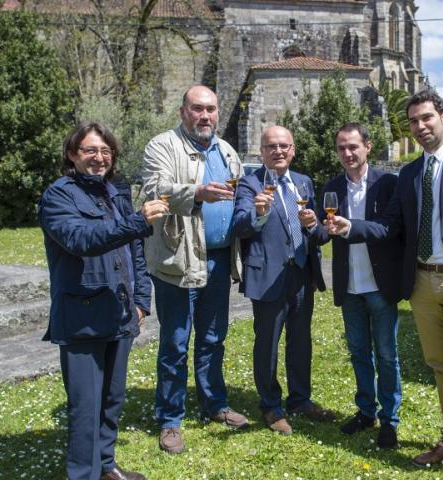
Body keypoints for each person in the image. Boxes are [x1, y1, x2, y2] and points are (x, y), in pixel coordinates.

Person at [327, 90, 443, 480]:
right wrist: (350, 227)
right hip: (422, 282)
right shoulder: (408, 173)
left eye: (426, 118)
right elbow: (391, 226)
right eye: (413, 121)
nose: (420, 126)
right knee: (440, 366)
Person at [38, 122, 168, 480]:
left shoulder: (116, 192)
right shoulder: (59, 196)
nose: (99, 158)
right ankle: (83, 474)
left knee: (112, 399)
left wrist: (141, 301)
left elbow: (135, 253)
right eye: (90, 151)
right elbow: (80, 239)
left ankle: (106, 466)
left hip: (119, 311)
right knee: (85, 406)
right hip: (82, 316)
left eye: (105, 151)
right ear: (72, 155)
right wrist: (137, 221)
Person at [141, 85, 248, 455]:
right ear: (183, 110)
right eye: (197, 109)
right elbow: (155, 190)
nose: (205, 116)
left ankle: (214, 404)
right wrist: (198, 192)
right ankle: (170, 419)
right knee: (174, 342)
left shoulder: (227, 151)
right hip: (178, 260)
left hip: (218, 260)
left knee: (213, 338)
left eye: (211, 109)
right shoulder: (162, 145)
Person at [300, 123, 404, 448]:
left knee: (386, 356)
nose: (347, 153)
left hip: (380, 285)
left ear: (368, 147)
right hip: (350, 286)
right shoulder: (332, 187)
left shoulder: (388, 184)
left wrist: (350, 228)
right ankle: (365, 411)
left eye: (353, 146)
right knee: (359, 352)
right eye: (342, 148)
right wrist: (310, 226)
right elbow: (322, 234)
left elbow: (390, 229)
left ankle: (389, 420)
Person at [232, 125, 334, 435]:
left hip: (301, 275)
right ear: (261, 151)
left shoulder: (303, 182)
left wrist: (315, 224)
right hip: (268, 275)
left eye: (284, 146)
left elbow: (318, 235)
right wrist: (259, 213)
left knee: (301, 341)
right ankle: (271, 405)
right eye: (272, 146)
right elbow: (239, 225)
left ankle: (300, 399)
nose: (279, 151)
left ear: (293, 150)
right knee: (268, 343)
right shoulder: (250, 184)